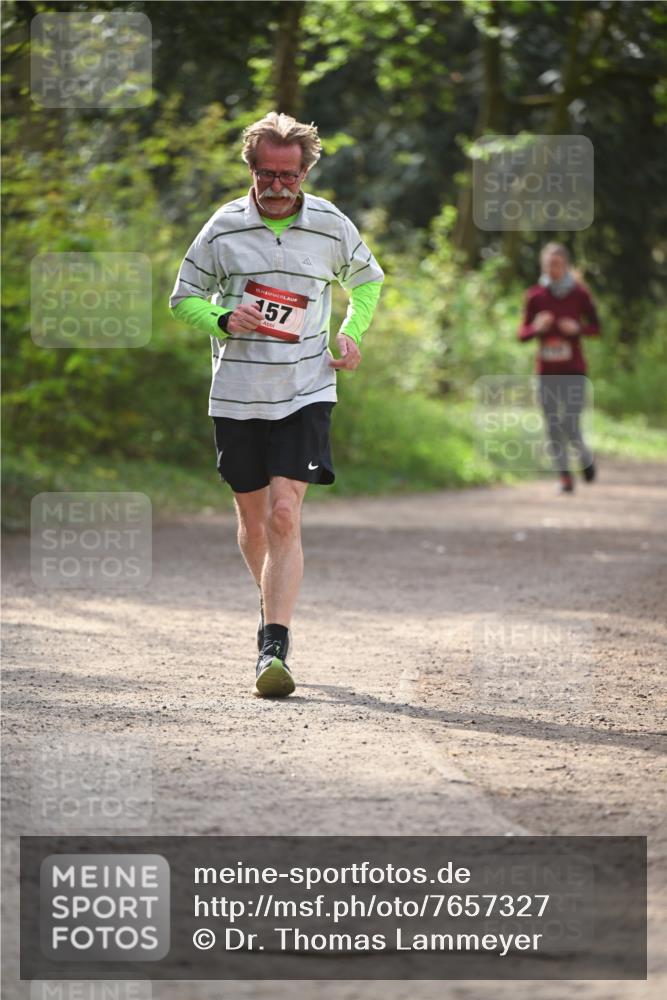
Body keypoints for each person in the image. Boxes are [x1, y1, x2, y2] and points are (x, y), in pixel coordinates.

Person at [169, 112, 384, 697]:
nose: (278, 185)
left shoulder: (330, 224)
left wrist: (352, 328)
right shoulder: (223, 228)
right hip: (237, 392)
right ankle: (270, 597)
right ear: (252, 168)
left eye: (289, 175)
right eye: (267, 173)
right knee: (254, 520)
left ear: (306, 170)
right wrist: (218, 315)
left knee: (285, 512)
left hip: (305, 389)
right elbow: (182, 297)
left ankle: (273, 647)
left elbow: (366, 280)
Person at [518, 242, 600, 493]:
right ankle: (564, 477)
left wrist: (578, 330)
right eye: (548, 264)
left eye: (557, 264)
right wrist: (536, 328)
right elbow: (522, 334)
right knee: (553, 424)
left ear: (565, 265)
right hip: (546, 372)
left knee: (570, 422)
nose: (552, 269)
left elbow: (597, 328)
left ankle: (584, 459)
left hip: (574, 370)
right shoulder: (535, 296)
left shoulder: (580, 294)